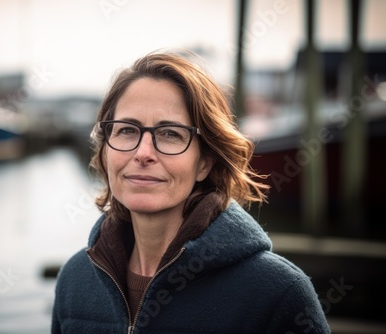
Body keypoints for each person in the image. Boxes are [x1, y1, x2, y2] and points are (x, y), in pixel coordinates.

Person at [51, 49, 330, 333]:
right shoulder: (76, 280)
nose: (143, 153)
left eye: (170, 133)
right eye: (127, 130)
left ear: (205, 163)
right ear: (106, 151)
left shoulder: (276, 294)